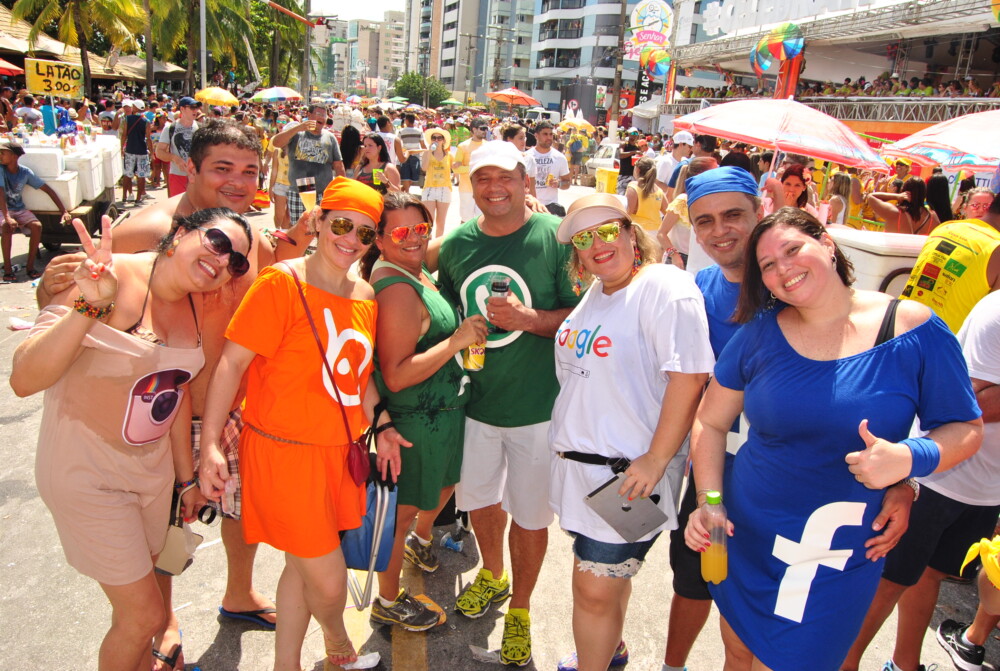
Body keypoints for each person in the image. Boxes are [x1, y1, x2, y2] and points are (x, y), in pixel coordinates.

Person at [684, 207, 983, 671]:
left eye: (792, 249)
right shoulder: (758, 334)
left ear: (826, 243)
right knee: (738, 653)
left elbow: (965, 428)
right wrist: (710, 501)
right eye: (768, 265)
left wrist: (909, 462)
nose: (783, 268)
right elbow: (710, 420)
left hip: (838, 556)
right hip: (748, 537)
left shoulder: (913, 329)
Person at [11, 208, 252, 671]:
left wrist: (186, 480)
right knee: (144, 617)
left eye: (236, 262)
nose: (223, 261)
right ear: (180, 233)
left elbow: (174, 393)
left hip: (150, 479)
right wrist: (88, 307)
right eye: (218, 242)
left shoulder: (196, 304)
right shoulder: (109, 277)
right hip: (87, 475)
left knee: (139, 617)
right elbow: (24, 378)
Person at [198, 178, 411, 671]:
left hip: (337, 453)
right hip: (282, 455)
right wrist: (210, 444)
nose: (350, 239)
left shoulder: (364, 294)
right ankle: (338, 646)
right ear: (317, 221)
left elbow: (357, 375)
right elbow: (231, 364)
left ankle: (286, 664)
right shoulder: (281, 283)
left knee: (301, 567)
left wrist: (380, 425)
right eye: (341, 225)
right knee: (330, 581)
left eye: (364, 232)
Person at [549, 194, 714, 671]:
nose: (598, 244)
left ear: (630, 233)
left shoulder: (664, 286)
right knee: (607, 582)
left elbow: (689, 376)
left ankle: (595, 660)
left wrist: (656, 459)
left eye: (607, 231)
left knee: (592, 590)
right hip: (585, 476)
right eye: (584, 239)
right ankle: (610, 649)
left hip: (628, 478)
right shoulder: (598, 291)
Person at [435, 140, 580, 666]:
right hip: (474, 405)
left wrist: (529, 320)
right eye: (483, 179)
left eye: (505, 178)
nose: (494, 188)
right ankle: (492, 575)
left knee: (532, 515)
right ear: (470, 186)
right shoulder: (455, 245)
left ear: (526, 181)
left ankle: (520, 608)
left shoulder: (555, 237)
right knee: (480, 502)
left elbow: (583, 317)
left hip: (538, 409)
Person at [843, 288, 1000, 671]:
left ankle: (904, 664)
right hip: (935, 478)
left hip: (987, 488)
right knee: (886, 582)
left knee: (931, 574)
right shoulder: (995, 313)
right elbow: (971, 404)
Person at [358, 192, 488, 631]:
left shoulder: (414, 266)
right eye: (400, 231)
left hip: (443, 412)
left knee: (446, 486)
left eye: (420, 228)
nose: (413, 238)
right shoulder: (397, 289)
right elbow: (395, 375)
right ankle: (387, 600)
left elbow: (451, 238)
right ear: (379, 238)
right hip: (417, 420)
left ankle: (422, 540)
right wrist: (455, 342)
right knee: (401, 514)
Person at [0, 140, 71, 282]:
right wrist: (7, 217)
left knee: (37, 226)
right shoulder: (1, 170)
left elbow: (47, 190)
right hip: (2, 209)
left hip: (19, 209)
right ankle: (8, 270)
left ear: (14, 156)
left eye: (2, 153)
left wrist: (64, 211)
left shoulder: (25, 172)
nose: (0, 156)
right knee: (7, 226)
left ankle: (30, 267)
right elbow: (0, 192)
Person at [270, 104, 346, 228]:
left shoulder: (329, 137)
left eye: (324, 115)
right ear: (309, 115)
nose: (322, 118)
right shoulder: (297, 134)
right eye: (319, 114)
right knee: (300, 228)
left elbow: (338, 165)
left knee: (321, 228)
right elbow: (276, 143)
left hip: (323, 191)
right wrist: (299, 127)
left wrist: (341, 189)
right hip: (300, 191)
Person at [658, 157, 718, 269]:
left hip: (702, 261)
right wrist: (674, 255)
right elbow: (661, 234)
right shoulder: (682, 201)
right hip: (680, 261)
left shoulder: (710, 202)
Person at [865, 176, 939, 235]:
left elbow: (871, 196)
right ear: (924, 194)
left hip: (891, 249)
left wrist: (897, 196)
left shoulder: (894, 212)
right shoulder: (933, 217)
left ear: (903, 191)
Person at [625, 157, 667, 256]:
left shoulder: (633, 187)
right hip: (655, 234)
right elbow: (667, 211)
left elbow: (627, 213)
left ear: (637, 169)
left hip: (639, 233)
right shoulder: (658, 191)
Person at [529, 120, 571, 216]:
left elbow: (567, 183)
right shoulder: (528, 156)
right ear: (536, 135)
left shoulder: (560, 158)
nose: (549, 137)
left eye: (551, 134)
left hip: (551, 208)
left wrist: (559, 184)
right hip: (531, 206)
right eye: (545, 134)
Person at [451, 118, 488, 222]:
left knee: (483, 219)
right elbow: (456, 169)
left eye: (486, 128)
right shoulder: (463, 146)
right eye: (482, 128)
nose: (485, 131)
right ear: (474, 129)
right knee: (466, 219)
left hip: (484, 188)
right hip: (466, 189)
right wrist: (474, 167)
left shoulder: (488, 146)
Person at [420, 127, 453, 237]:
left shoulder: (449, 155)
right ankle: (427, 243)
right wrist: (429, 151)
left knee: (441, 222)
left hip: (445, 189)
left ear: (443, 140)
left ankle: (438, 244)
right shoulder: (427, 153)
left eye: (439, 138)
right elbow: (424, 168)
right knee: (428, 221)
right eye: (434, 138)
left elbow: (456, 168)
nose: (436, 140)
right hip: (429, 188)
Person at [117, 100, 151, 205]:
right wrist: (152, 151)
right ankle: (138, 198)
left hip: (130, 150)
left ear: (134, 107)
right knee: (141, 176)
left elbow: (124, 135)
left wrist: (121, 148)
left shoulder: (127, 119)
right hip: (142, 151)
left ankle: (124, 197)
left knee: (128, 174)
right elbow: (148, 138)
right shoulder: (146, 121)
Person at [397, 113, 426, 193]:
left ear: (406, 120)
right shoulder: (419, 131)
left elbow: (398, 143)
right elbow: (423, 145)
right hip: (416, 155)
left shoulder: (401, 131)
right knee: (414, 176)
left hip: (405, 155)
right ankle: (406, 190)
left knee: (405, 174)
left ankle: (406, 190)